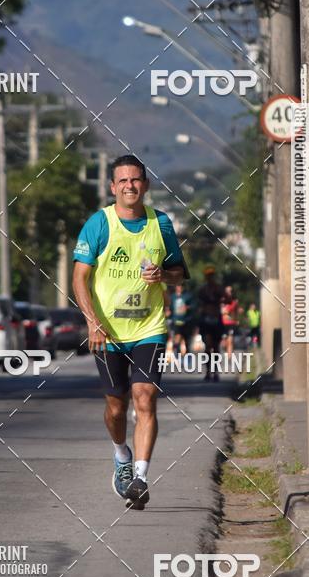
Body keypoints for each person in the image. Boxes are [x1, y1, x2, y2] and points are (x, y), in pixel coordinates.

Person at [72, 155, 188, 509]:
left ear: (146, 185)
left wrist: (163, 276)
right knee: (116, 407)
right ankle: (121, 454)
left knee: (145, 396)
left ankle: (140, 476)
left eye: (135, 180)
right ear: (112, 187)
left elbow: (179, 274)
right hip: (107, 332)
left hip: (149, 327)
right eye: (122, 181)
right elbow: (80, 277)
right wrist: (92, 322)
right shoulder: (99, 223)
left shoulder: (161, 224)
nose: (129, 186)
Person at [197, 265, 224, 381]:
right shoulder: (202, 290)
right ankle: (208, 371)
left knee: (216, 347)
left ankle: (216, 372)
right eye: (208, 276)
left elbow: (227, 298)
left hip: (217, 319)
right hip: (206, 319)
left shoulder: (219, 288)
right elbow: (198, 302)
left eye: (211, 275)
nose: (210, 277)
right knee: (208, 347)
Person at [171, 284, 194, 356]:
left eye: (181, 286)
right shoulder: (172, 297)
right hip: (176, 321)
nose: (180, 287)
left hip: (186, 321)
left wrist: (187, 307)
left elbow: (194, 306)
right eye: (178, 286)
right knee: (177, 338)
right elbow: (169, 307)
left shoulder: (188, 296)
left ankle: (188, 356)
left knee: (186, 339)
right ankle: (177, 354)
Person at [221, 285, 241, 359]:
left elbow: (236, 312)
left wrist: (236, 319)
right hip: (222, 323)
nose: (229, 293)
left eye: (231, 291)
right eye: (227, 291)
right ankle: (225, 349)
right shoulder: (221, 301)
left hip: (231, 323)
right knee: (224, 343)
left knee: (230, 340)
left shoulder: (234, 302)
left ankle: (229, 357)